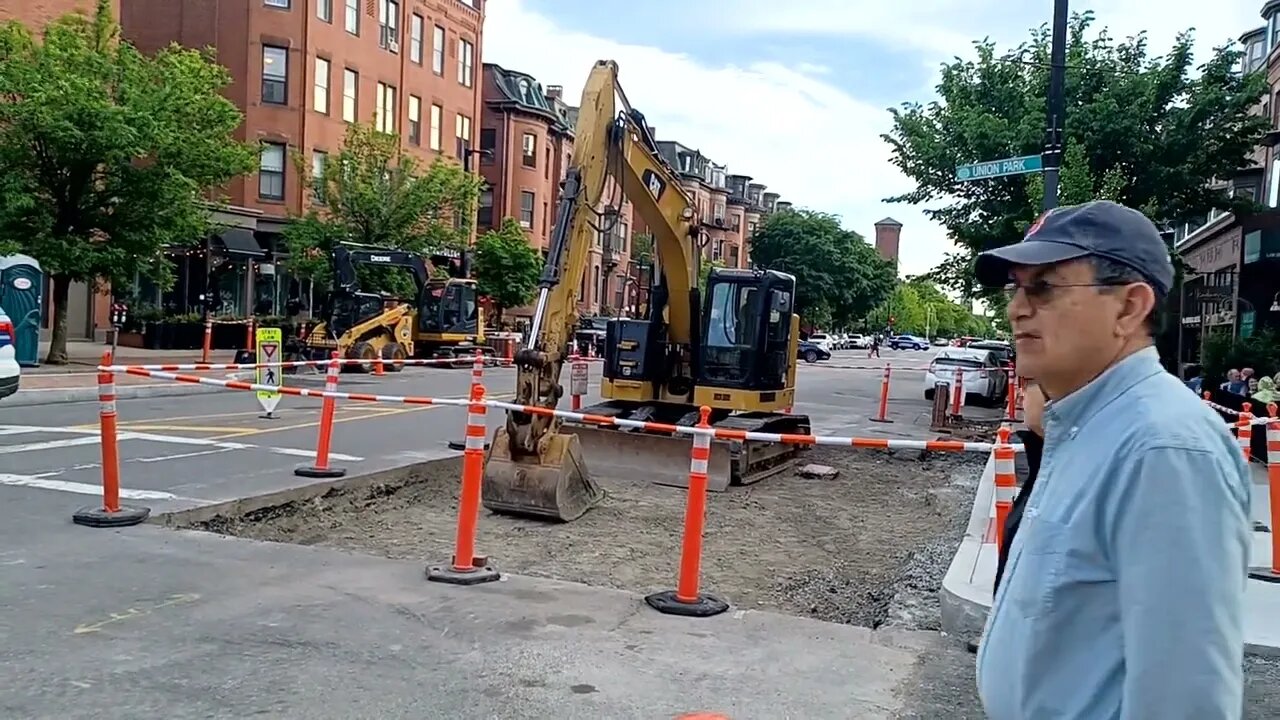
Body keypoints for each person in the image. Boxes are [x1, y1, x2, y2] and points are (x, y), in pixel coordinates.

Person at [971, 200, 1251, 720]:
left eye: (1044, 288)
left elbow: (1186, 699)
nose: (1016, 309)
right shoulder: (1086, 426)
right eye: (1015, 288)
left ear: (1128, 308)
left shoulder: (1163, 450)